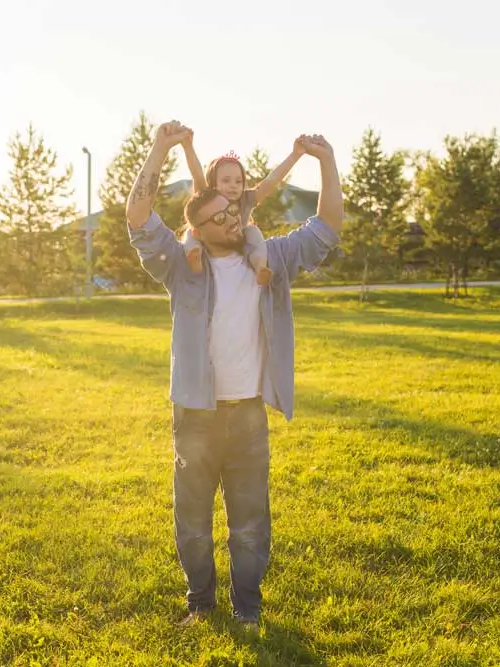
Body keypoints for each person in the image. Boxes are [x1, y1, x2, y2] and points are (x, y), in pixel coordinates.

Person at [125, 120, 344, 630]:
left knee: (249, 526)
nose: (232, 217)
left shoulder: (273, 259)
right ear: (197, 230)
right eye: (220, 215)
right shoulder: (182, 266)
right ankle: (200, 605)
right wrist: (160, 148)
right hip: (196, 414)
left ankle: (247, 609)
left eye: (233, 211)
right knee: (193, 526)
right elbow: (138, 217)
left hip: (247, 413)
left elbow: (327, 226)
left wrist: (326, 162)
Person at [179, 135, 307, 286]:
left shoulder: (246, 199)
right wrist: (188, 146)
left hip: (239, 242)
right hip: (209, 241)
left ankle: (260, 267)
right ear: (213, 184)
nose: (233, 185)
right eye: (226, 180)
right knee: (190, 233)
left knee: (253, 231)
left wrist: (295, 154)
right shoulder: (208, 198)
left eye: (238, 181)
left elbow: (271, 181)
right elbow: (197, 174)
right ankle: (195, 256)